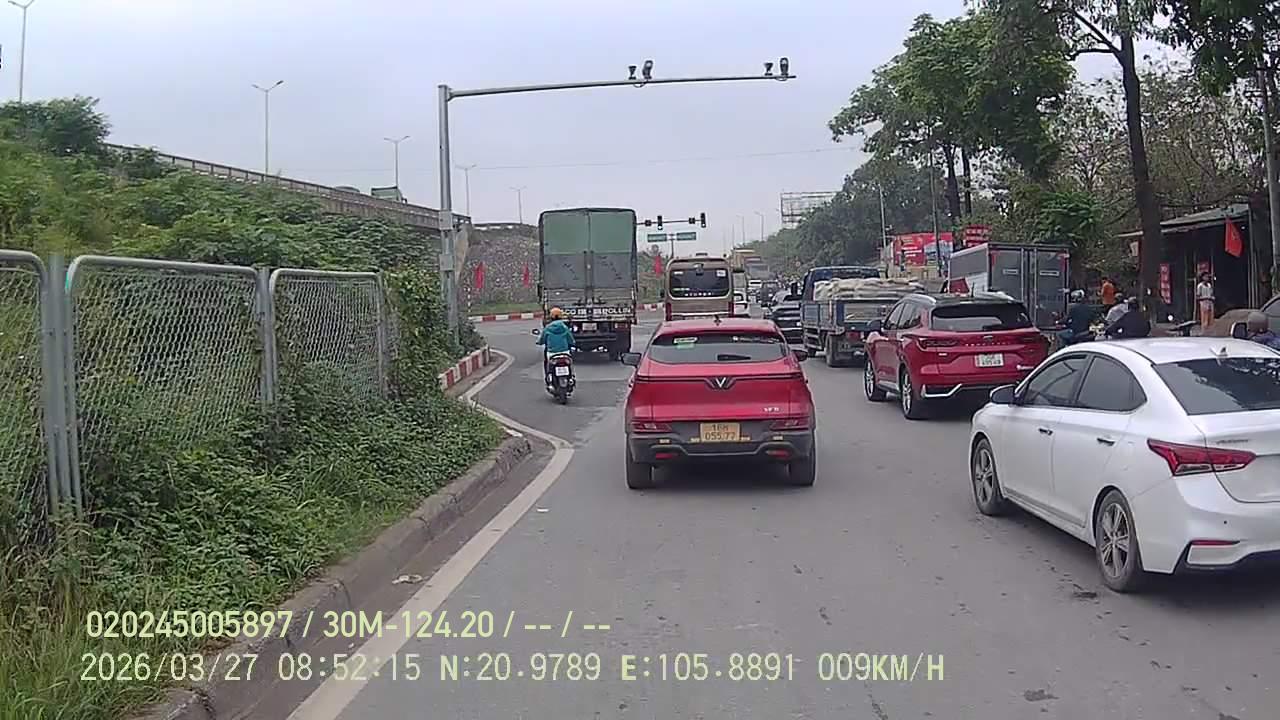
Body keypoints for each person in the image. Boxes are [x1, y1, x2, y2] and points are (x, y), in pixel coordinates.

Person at [536, 307, 576, 382]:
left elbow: (541, 340)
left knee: (547, 364)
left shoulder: (547, 328)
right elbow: (571, 340)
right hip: (565, 351)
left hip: (551, 353)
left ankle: (548, 378)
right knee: (570, 363)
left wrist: (539, 342)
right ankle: (571, 377)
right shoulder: (565, 327)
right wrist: (573, 343)